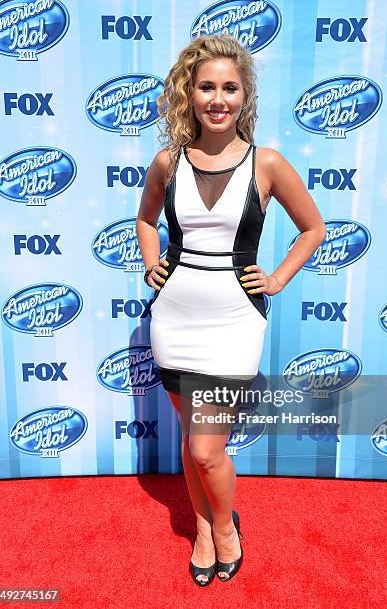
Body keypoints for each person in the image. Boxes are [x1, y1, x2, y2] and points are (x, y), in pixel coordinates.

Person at [136, 34, 326, 586]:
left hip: (235, 319)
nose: (217, 98)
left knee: (206, 445)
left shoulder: (266, 162)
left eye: (230, 88)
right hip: (174, 318)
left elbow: (313, 228)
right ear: (188, 93)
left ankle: (225, 526)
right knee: (192, 444)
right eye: (206, 87)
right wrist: (152, 263)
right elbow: (147, 219)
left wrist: (278, 278)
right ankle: (202, 527)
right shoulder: (167, 161)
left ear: (245, 97)